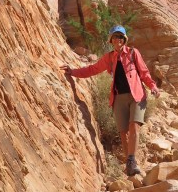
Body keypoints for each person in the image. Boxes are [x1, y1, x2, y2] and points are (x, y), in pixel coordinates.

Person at [62, 25, 160, 176]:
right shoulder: (109, 58)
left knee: (134, 126)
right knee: (123, 133)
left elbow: (144, 73)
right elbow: (92, 69)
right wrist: (72, 71)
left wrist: (153, 86)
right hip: (118, 98)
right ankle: (129, 165)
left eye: (121, 37)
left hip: (137, 96)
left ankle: (132, 160)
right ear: (111, 40)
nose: (118, 39)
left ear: (124, 39)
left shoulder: (133, 53)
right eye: (115, 36)